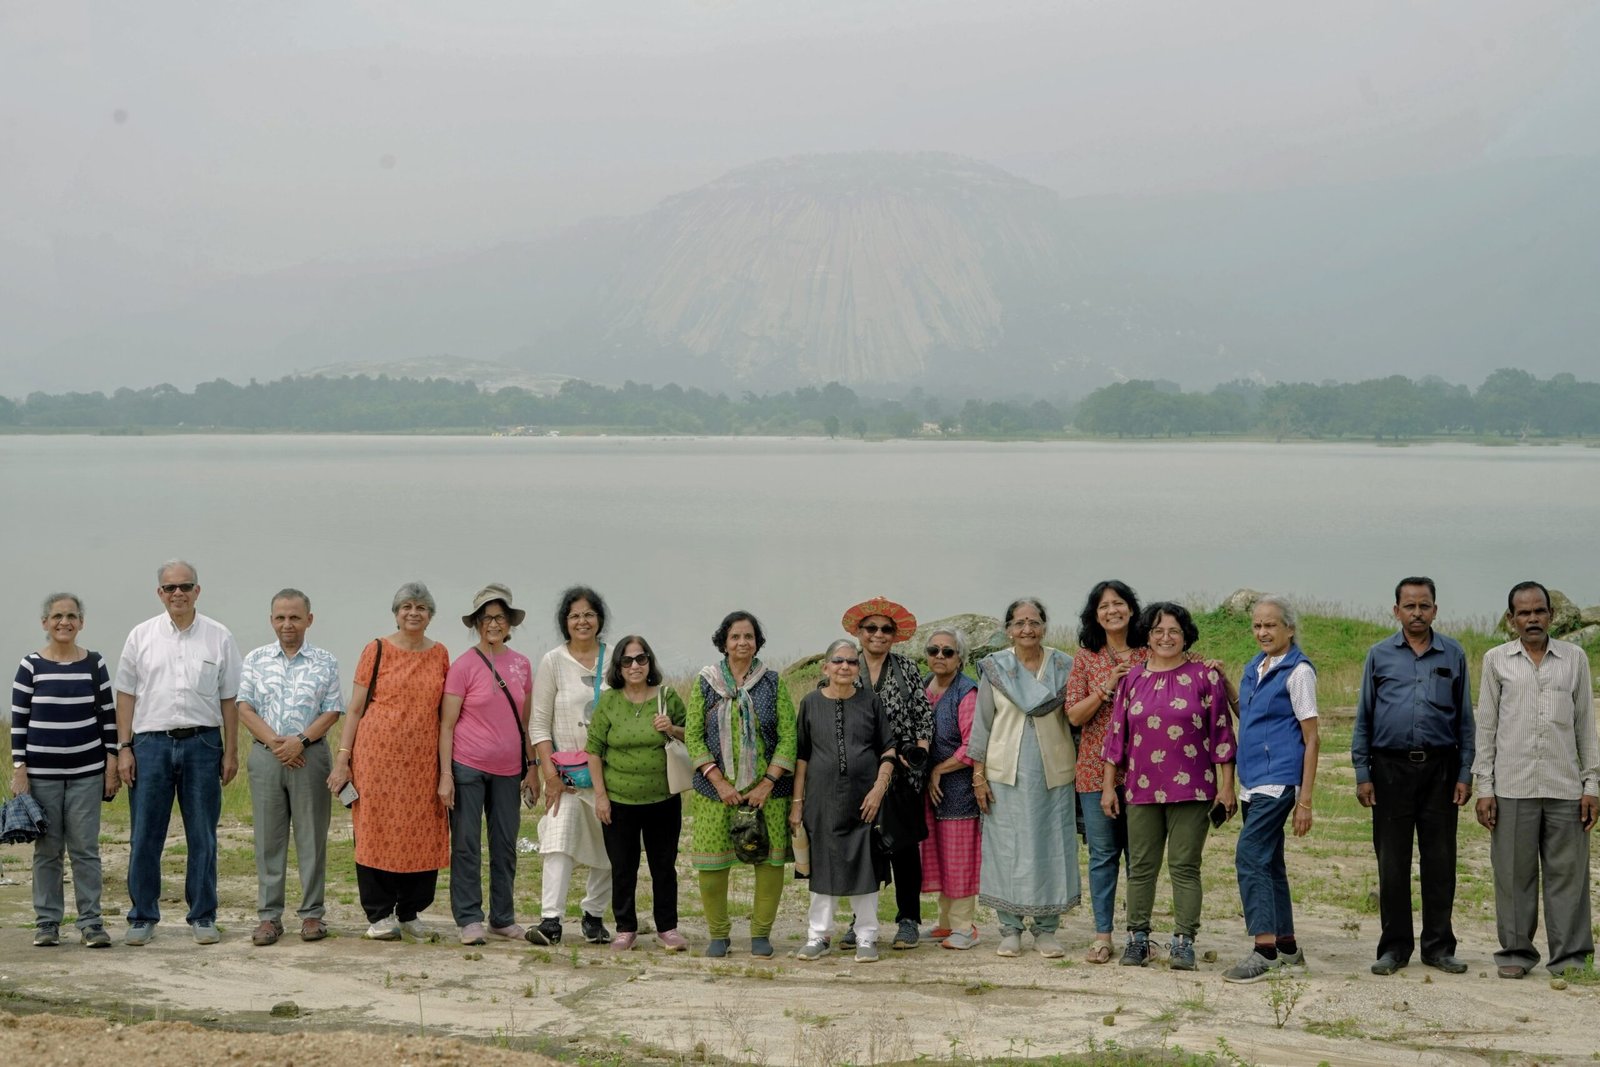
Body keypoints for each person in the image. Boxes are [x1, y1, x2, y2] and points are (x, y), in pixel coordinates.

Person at [1473, 581, 1598, 979]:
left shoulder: (1574, 659)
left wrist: (1591, 785)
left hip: (1565, 789)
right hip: (1512, 788)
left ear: (1551, 615)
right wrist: (1484, 788)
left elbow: (1585, 728)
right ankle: (1515, 953)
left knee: (1569, 877)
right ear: (1511, 619)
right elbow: (1486, 728)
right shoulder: (1496, 661)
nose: (1532, 619)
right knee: (1512, 876)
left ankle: (1571, 957)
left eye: (1539, 611)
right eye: (1523, 613)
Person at [1350, 576, 1475, 976]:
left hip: (1441, 768)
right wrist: (1361, 771)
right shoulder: (1379, 655)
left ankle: (1439, 947)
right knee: (1392, 862)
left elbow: (1466, 721)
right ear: (1396, 610)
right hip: (1389, 769)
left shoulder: (1453, 654)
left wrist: (1465, 772)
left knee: (1440, 861)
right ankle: (1394, 948)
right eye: (1409, 606)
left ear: (1435, 610)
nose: (1417, 613)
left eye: (1424, 606)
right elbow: (1364, 717)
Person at [1102, 601, 1236, 971]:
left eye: (1174, 631)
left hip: (1194, 790)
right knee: (1141, 866)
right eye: (1158, 631)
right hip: (1140, 789)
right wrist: (1108, 787)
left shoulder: (1204, 677)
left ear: (1185, 636)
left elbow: (1222, 734)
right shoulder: (1132, 679)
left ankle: (1183, 941)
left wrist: (1227, 787)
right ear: (1146, 635)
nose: (1166, 637)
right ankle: (1138, 939)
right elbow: (1117, 738)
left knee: (1184, 865)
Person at [114, 560, 242, 946]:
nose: (178, 594)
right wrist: (124, 748)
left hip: (203, 744)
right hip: (150, 744)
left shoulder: (218, 636)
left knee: (202, 834)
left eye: (185, 586)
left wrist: (230, 752)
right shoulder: (141, 636)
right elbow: (126, 694)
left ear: (198, 591)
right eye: (170, 588)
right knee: (145, 835)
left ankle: (203, 915)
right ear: (160, 594)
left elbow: (230, 699)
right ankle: (142, 916)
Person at [326, 582, 450, 941]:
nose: (413, 613)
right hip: (376, 758)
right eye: (406, 606)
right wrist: (343, 760)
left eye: (421, 607)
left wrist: (445, 771)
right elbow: (354, 709)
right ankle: (379, 914)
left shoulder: (440, 653)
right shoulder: (376, 649)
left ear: (430, 615)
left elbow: (445, 715)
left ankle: (410, 912)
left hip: (422, 762)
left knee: (421, 832)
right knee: (376, 831)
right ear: (396, 613)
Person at [969, 597, 1078, 959]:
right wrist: (978, 776)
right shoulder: (995, 668)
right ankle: (1010, 928)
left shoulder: (1064, 666)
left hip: (1053, 774)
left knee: (1051, 847)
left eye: (1034, 622)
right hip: (1004, 773)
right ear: (1008, 629)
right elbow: (982, 724)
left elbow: (1074, 722)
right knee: (1006, 850)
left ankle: (1046, 930)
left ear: (1045, 626)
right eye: (1019, 623)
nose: (1027, 629)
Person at [685, 610, 797, 959]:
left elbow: (788, 736)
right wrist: (718, 781)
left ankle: (761, 934)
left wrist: (767, 782)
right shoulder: (706, 682)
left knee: (768, 862)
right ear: (724, 642)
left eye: (749, 636)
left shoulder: (773, 682)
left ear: (757, 642)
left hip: (768, 793)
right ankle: (719, 935)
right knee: (713, 864)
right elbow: (693, 735)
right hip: (715, 793)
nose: (742, 642)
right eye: (735, 636)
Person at [236, 588, 344, 946]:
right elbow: (245, 708)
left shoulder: (325, 661)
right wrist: (275, 743)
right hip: (267, 757)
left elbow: (332, 710)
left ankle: (312, 915)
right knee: (269, 838)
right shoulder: (255, 659)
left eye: (295, 617)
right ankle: (269, 917)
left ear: (308, 620)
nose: (287, 624)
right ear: (271, 620)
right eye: (280, 617)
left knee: (311, 837)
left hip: (309, 756)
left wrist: (301, 741)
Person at [11, 593, 118, 948]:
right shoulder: (30, 666)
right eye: (57, 616)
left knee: (85, 849)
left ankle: (91, 923)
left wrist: (111, 762)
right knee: (48, 849)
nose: (64, 622)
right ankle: (47, 923)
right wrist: (19, 769)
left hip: (87, 771)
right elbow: (19, 722)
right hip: (41, 776)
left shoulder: (94, 664)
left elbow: (107, 717)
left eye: (72, 616)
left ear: (81, 622)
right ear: (45, 623)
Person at [1222, 595, 1319, 983]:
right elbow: (1252, 717)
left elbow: (1312, 738)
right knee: (1269, 860)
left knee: (1249, 855)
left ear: (1290, 629)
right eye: (1257, 626)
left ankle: (1264, 950)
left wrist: (1306, 801)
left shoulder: (1298, 672)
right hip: (1252, 781)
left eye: (1271, 625)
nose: (1263, 632)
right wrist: (1229, 685)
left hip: (1278, 780)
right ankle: (1288, 947)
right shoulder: (1255, 667)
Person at [439, 584, 538, 946]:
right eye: (486, 618)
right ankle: (468, 918)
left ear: (510, 622)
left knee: (505, 844)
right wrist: (445, 775)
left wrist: (533, 767)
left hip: (509, 769)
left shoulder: (523, 665)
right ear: (477, 623)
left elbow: (526, 724)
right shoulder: (463, 666)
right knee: (466, 844)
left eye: (499, 617)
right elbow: (447, 724)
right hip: (466, 766)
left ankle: (502, 917)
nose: (493, 624)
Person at [792, 639, 896, 963]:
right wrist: (797, 803)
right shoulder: (809, 703)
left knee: (865, 868)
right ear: (825, 667)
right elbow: (802, 757)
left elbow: (889, 750)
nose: (845, 667)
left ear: (857, 668)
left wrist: (880, 788)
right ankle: (818, 935)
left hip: (865, 802)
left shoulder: (871, 702)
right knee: (822, 868)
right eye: (838, 661)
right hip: (821, 802)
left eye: (852, 662)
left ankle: (866, 937)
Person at [586, 634, 690, 952]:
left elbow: (694, 737)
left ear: (649, 662)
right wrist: (600, 796)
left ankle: (667, 928)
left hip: (664, 799)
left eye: (641, 658)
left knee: (663, 866)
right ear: (618, 665)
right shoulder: (608, 702)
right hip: (619, 801)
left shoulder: (667, 697)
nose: (635, 665)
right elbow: (593, 751)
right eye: (627, 660)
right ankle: (625, 929)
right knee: (623, 866)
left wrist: (671, 728)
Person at [839, 595, 931, 950]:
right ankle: (861, 920)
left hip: (904, 772)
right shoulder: (847, 665)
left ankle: (908, 920)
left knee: (906, 848)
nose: (878, 634)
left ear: (895, 635)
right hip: (860, 771)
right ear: (859, 632)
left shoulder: (906, 668)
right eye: (871, 628)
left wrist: (921, 748)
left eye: (886, 629)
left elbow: (923, 714)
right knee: (863, 848)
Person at [1064, 579, 1146, 964]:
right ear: (1094, 615)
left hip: (1146, 771)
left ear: (1131, 608)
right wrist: (1105, 688)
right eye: (1103, 606)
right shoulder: (1086, 657)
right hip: (1094, 771)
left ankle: (1138, 934)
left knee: (1139, 857)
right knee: (1102, 855)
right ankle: (1102, 934)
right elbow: (1074, 716)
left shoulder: (1151, 651)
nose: (1111, 611)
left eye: (1118, 603)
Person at [527, 585, 614, 947]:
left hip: (611, 773)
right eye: (575, 615)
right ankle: (551, 921)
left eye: (589, 615)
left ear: (599, 620)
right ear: (565, 621)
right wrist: (549, 775)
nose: (582, 621)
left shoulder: (616, 658)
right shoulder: (553, 661)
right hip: (566, 776)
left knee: (610, 847)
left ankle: (594, 917)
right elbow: (538, 722)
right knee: (559, 841)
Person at [918, 626, 982, 950]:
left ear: (960, 658)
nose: (940, 656)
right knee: (940, 856)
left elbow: (973, 745)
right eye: (934, 651)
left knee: (959, 857)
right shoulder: (926, 688)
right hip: (933, 790)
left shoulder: (966, 691)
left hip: (958, 790)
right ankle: (945, 923)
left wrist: (939, 770)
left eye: (948, 651)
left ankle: (964, 927)